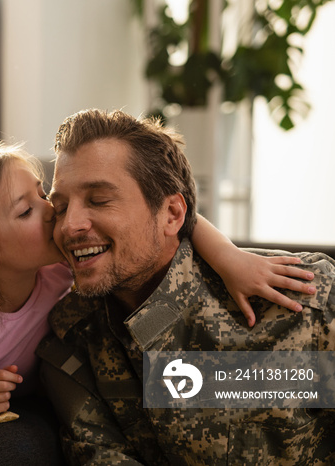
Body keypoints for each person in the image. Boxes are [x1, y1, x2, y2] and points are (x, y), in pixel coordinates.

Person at [0, 140, 316, 416]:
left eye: (43, 195)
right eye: (26, 211)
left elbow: (174, 216)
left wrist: (231, 259)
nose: (56, 213)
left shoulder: (56, 267)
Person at [37, 108, 335, 464]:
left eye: (99, 200)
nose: (69, 225)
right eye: (59, 207)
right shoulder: (72, 343)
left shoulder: (300, 296)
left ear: (172, 215)